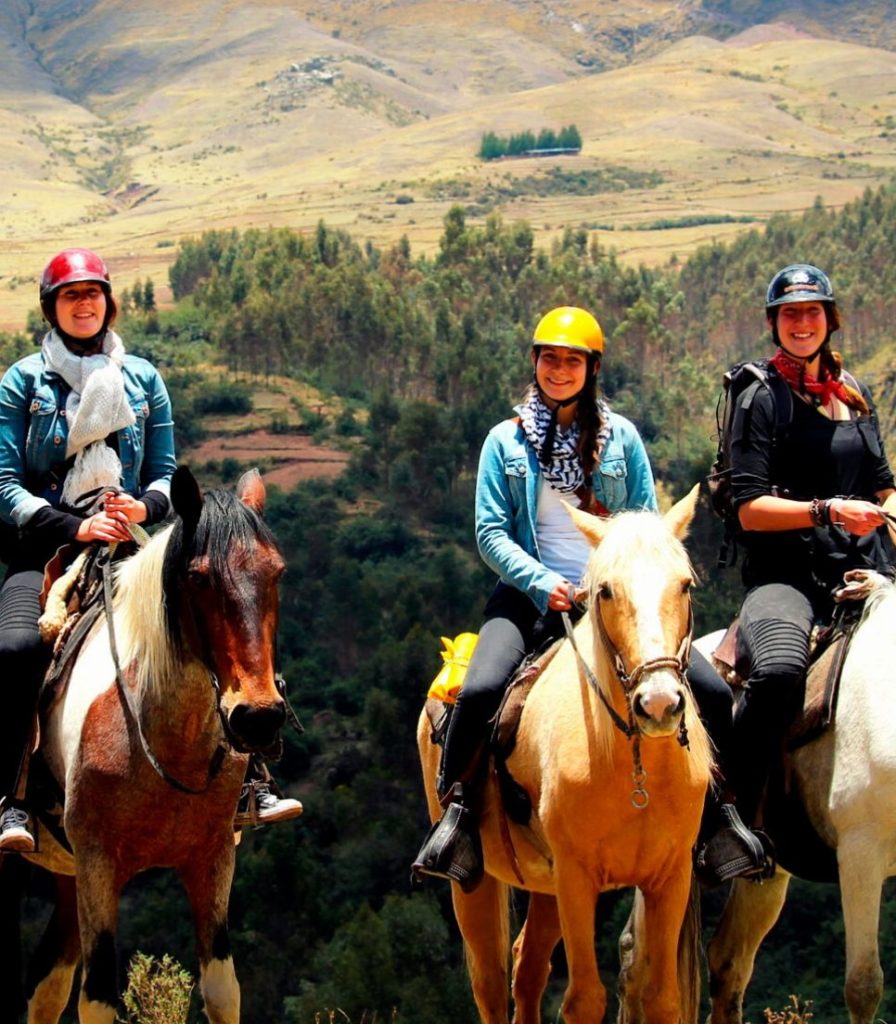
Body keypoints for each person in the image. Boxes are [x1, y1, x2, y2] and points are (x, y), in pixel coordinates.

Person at [411, 305, 760, 891]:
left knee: (710, 691)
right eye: (550, 358)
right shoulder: (505, 442)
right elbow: (490, 534)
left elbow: (646, 522)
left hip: (619, 599)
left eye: (572, 360)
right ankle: (460, 818)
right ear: (535, 363)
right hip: (531, 597)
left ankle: (724, 816)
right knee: (478, 691)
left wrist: (626, 584)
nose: (559, 370)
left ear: (591, 368)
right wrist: (544, 583)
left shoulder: (621, 438)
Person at [0, 248, 298, 854]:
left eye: (93, 293)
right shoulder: (22, 381)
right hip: (48, 545)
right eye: (70, 295)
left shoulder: (143, 380)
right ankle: (11, 796)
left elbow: (163, 473)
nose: (84, 304)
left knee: (220, 618)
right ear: (52, 308)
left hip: (135, 542)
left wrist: (142, 509)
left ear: (108, 301)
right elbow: (4, 484)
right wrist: (73, 526)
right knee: (15, 647)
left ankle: (253, 775)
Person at [696, 263, 896, 882]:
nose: (802, 323)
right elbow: (750, 509)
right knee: (780, 671)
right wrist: (826, 509)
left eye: (813, 312)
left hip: (868, 570)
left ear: (830, 320)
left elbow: (884, 483)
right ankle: (730, 818)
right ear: (775, 323)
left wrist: (888, 510)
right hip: (788, 578)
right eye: (790, 314)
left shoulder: (852, 390)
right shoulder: (758, 396)